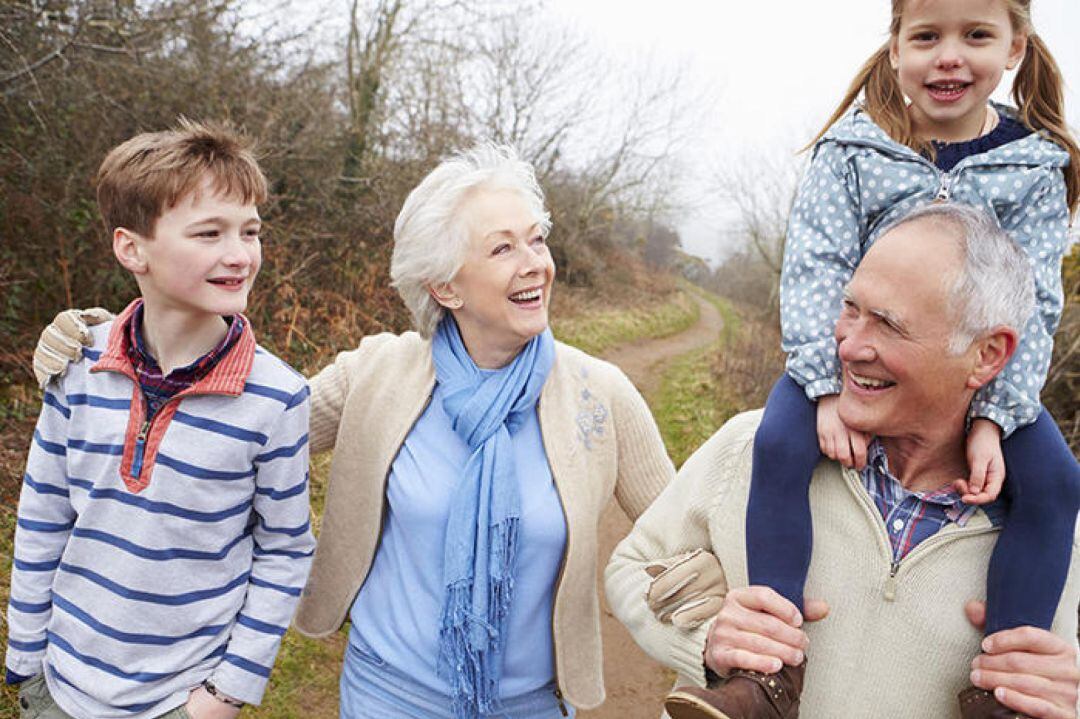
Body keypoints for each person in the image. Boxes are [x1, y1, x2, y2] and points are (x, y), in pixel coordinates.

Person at [29, 143, 685, 718]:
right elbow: (225, 415)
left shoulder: (602, 395)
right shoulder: (378, 374)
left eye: (536, 238)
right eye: (503, 247)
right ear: (444, 286)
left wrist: (727, 636)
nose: (536, 262)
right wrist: (106, 342)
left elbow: (681, 542)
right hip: (384, 693)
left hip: (534, 704)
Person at [727, 0, 1080, 716]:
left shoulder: (1035, 166)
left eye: (976, 35)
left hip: (984, 376)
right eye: (926, 37)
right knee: (778, 441)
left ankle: (1006, 688)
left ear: (1014, 48)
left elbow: (1034, 298)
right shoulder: (856, 149)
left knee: (1053, 483)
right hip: (844, 358)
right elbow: (818, 266)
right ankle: (768, 668)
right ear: (895, 50)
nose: (948, 56)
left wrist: (996, 414)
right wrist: (827, 388)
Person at [606, 202, 1080, 719]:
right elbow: (629, 567)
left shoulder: (1051, 535)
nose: (849, 344)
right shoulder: (752, 445)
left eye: (888, 325)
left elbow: (1052, 684)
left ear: (987, 355)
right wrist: (706, 639)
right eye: (851, 308)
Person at [4, 121, 316, 719]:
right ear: (132, 248)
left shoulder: (277, 398)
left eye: (250, 231)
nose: (240, 254)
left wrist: (227, 694)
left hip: (180, 700)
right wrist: (26, 656)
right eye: (209, 233)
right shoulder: (76, 363)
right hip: (58, 685)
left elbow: (284, 549)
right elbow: (44, 512)